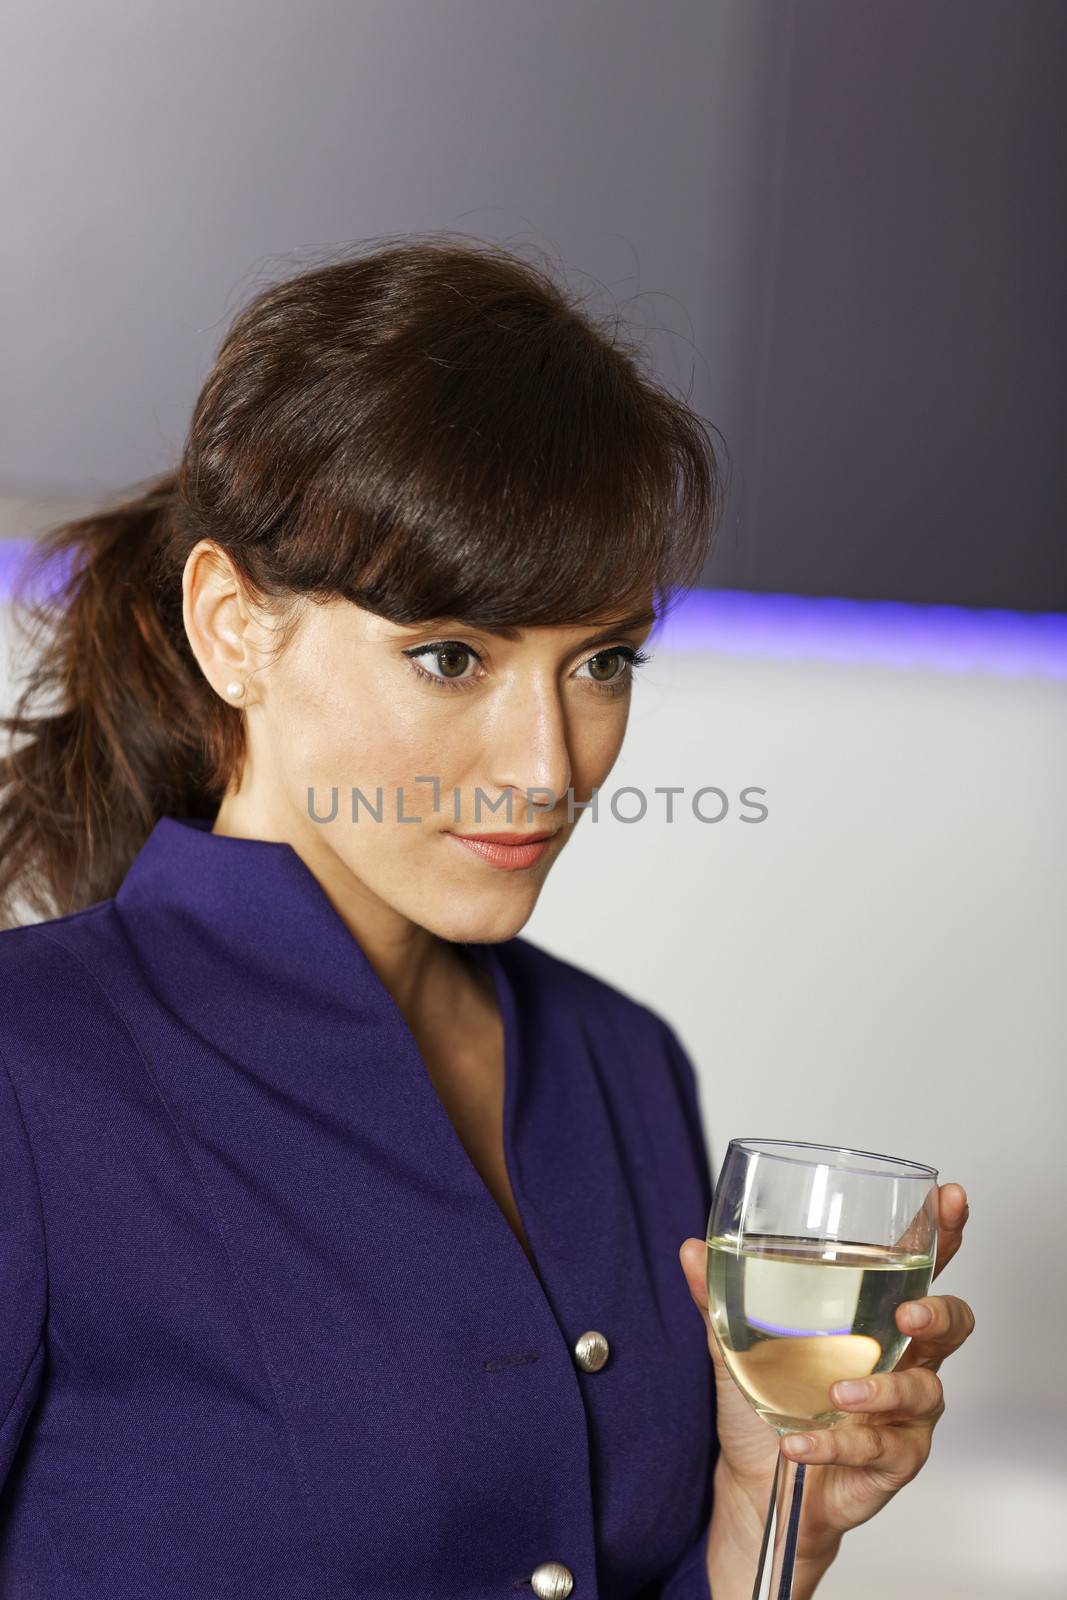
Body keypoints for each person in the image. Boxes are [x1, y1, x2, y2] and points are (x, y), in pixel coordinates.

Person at [0, 234, 973, 1599]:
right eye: (452, 656)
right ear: (232, 627)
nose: (549, 765)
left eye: (603, 663)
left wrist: (768, 1526)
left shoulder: (619, 1064)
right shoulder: (32, 1066)